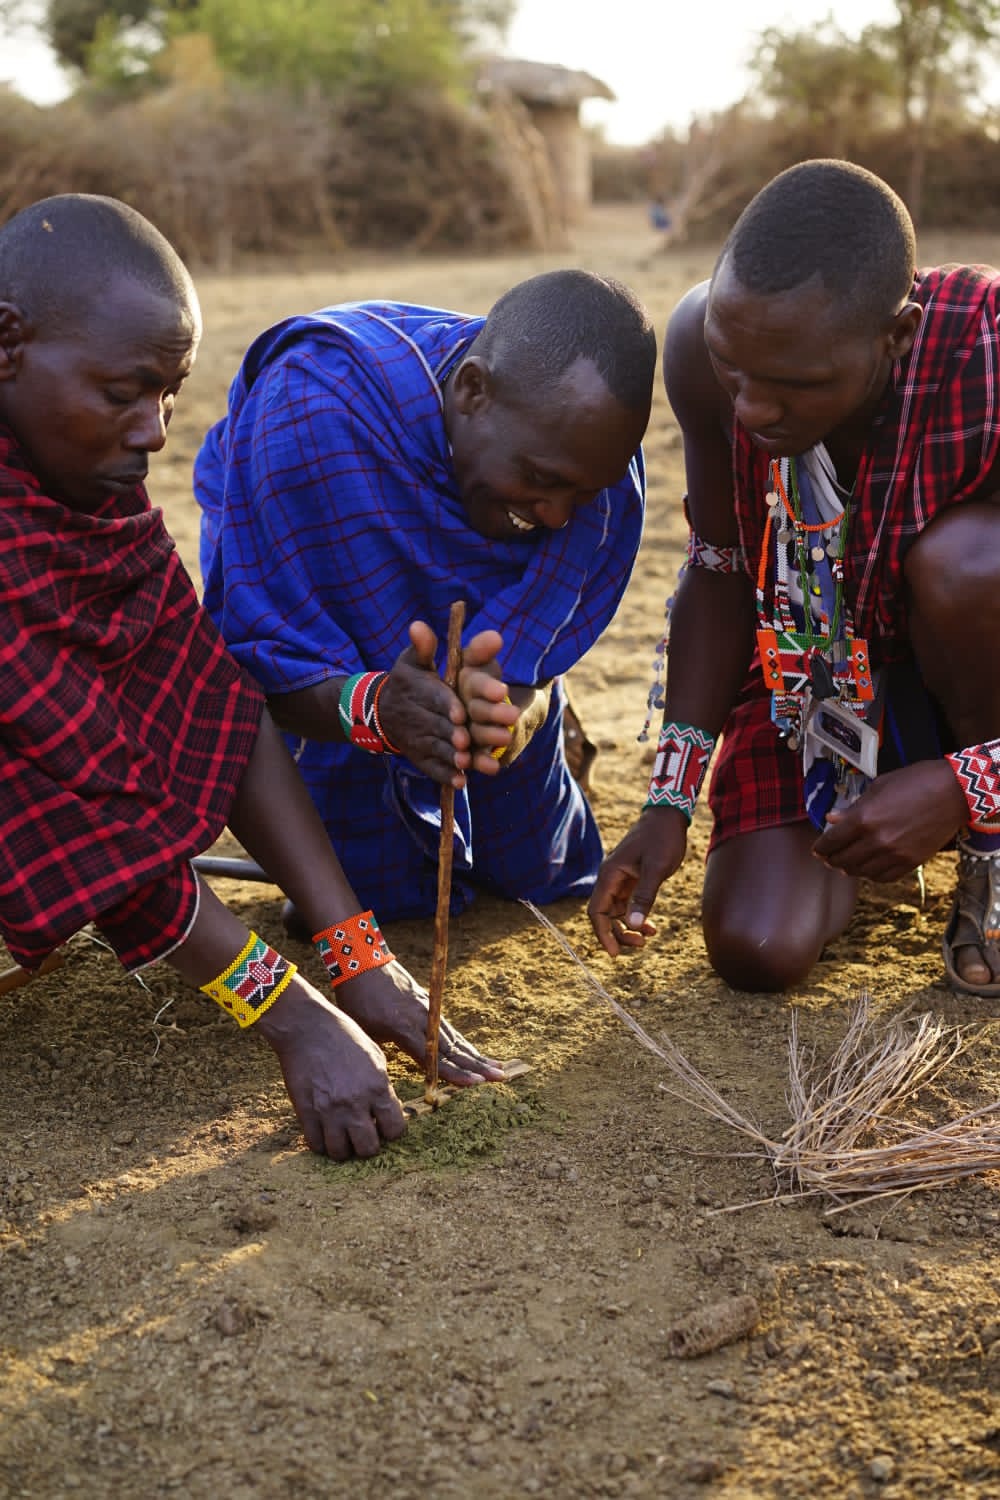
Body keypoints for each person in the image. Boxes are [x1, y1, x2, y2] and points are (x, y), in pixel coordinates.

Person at [0, 193, 503, 1161]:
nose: (153, 431)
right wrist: (292, 1015)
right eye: (122, 394)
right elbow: (71, 817)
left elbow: (210, 698)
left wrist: (358, 958)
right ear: (8, 343)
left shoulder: (86, 490)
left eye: (169, 394)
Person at [588, 158, 1000, 998]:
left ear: (899, 335)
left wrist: (966, 787)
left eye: (794, 386)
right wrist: (668, 802)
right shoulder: (707, 349)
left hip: (979, 664)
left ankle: (991, 851)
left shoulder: (989, 351)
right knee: (758, 947)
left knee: (967, 568)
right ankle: (872, 795)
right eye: (735, 372)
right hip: (813, 673)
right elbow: (719, 569)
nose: (751, 410)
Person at [194, 271, 656, 932]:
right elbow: (264, 660)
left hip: (473, 686)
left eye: (580, 495)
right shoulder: (312, 411)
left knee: (532, 869)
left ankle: (554, 731)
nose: (558, 515)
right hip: (341, 672)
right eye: (539, 480)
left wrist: (507, 705)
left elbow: (535, 636)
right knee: (361, 894)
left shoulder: (598, 469)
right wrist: (379, 710)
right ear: (471, 391)